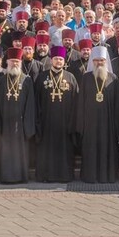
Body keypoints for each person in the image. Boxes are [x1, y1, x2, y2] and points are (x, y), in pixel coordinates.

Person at [75, 46, 119, 183]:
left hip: (108, 124)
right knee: (90, 149)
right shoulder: (86, 78)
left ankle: (106, 176)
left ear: (106, 61)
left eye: (101, 60)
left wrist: (117, 126)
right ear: (92, 61)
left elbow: (117, 104)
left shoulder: (113, 78)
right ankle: (90, 176)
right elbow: (81, 102)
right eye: (96, 60)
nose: (99, 63)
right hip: (90, 124)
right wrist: (81, 125)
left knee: (107, 149)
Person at [0, 48, 36, 183]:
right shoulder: (1, 81)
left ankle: (21, 177)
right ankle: (6, 177)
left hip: (20, 125)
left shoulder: (27, 80)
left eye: (17, 61)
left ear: (20, 62)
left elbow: (30, 105)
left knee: (20, 152)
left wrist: (28, 127)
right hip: (5, 124)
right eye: (12, 61)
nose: (15, 64)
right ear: (7, 62)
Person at [34, 46, 79, 182]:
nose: (58, 61)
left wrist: (73, 122)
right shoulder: (42, 77)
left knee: (65, 150)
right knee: (47, 150)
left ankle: (64, 176)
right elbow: (36, 100)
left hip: (65, 122)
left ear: (64, 61)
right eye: (56, 59)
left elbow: (76, 101)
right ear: (51, 60)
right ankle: (46, 176)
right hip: (47, 121)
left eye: (60, 59)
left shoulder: (70, 77)